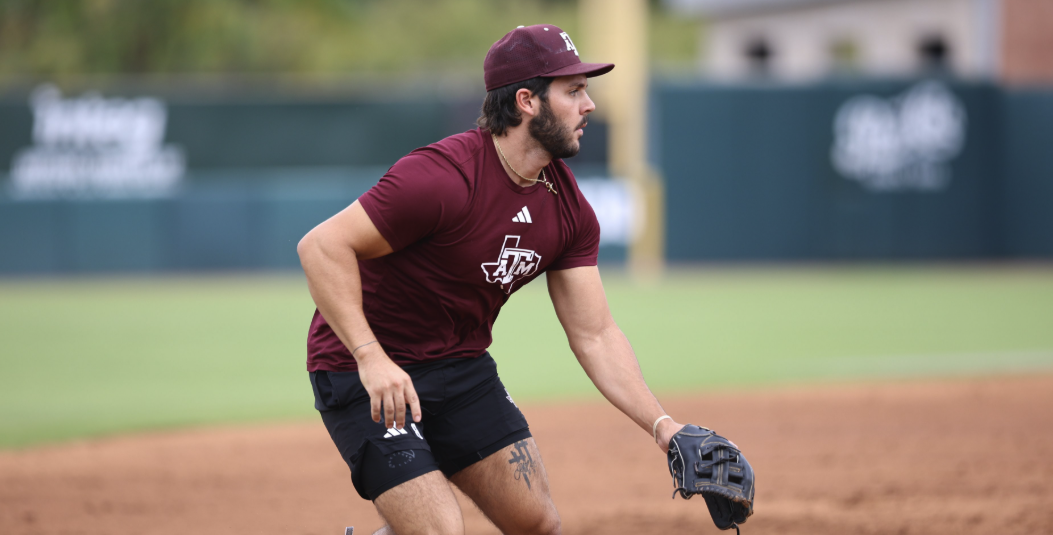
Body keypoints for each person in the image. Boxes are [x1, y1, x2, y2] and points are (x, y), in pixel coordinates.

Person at [298, 24, 685, 535]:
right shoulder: (442, 178)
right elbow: (321, 246)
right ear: (526, 100)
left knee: (537, 523)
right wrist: (370, 358)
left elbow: (595, 334)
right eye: (573, 91)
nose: (589, 105)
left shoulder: (568, 209)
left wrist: (665, 428)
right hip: (364, 369)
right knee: (440, 531)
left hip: (459, 367)